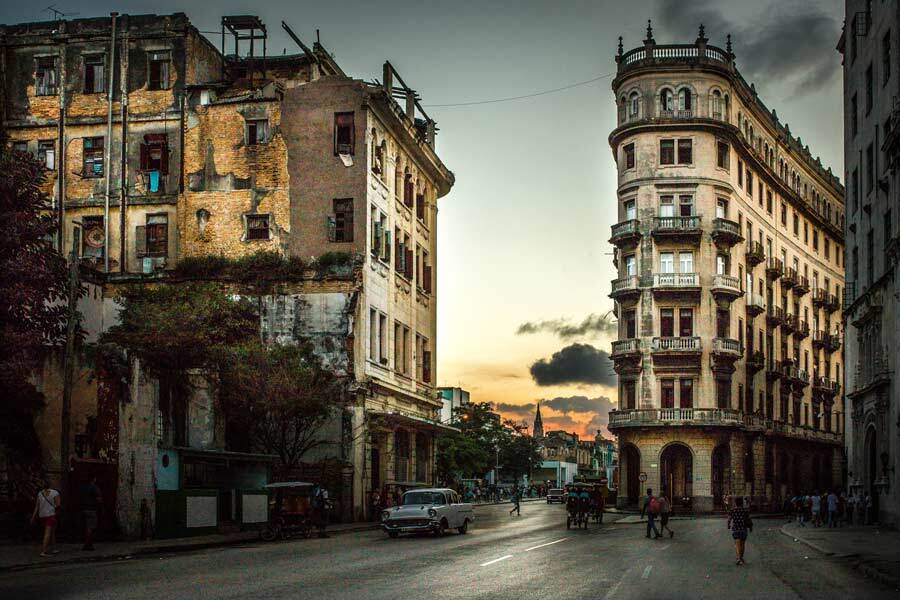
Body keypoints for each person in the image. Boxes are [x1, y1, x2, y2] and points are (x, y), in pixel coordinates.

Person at [31, 482, 60, 557]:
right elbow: (58, 504)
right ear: (50, 485)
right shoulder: (55, 493)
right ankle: (44, 551)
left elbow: (37, 506)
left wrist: (33, 517)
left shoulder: (40, 493)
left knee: (52, 532)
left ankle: (54, 548)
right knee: (48, 533)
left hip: (42, 515)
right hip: (50, 515)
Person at [727, 496, 752, 566]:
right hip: (743, 529)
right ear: (742, 503)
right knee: (743, 544)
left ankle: (738, 558)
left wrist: (728, 526)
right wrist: (750, 527)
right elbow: (749, 520)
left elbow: (729, 519)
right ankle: (741, 558)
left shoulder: (732, 510)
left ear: (735, 503)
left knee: (737, 544)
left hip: (736, 529)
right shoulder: (745, 510)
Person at [80, 476, 103, 551]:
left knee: (86, 527)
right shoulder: (94, 487)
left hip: (84, 509)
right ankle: (88, 544)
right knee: (91, 527)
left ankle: (87, 543)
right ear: (94, 479)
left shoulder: (83, 487)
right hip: (91, 509)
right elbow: (99, 499)